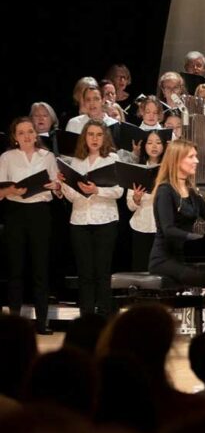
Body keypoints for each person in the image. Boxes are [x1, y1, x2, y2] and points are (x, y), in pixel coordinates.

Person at [148, 138, 205, 334]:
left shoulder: (191, 192)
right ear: (177, 160)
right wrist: (198, 239)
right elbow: (168, 230)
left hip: (186, 256)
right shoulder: (165, 190)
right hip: (165, 258)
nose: (196, 161)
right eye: (191, 156)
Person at [58, 120, 123, 319]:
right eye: (90, 134)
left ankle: (103, 316)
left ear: (105, 138)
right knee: (85, 272)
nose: (94, 139)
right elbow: (70, 195)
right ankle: (86, 316)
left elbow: (119, 191)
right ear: (84, 137)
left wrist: (96, 190)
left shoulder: (112, 158)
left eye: (98, 135)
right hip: (79, 220)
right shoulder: (77, 161)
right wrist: (67, 186)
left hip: (105, 220)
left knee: (102, 272)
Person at [1, 118, 61, 333]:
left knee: (40, 269)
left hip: (40, 212)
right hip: (15, 213)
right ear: (15, 137)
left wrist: (56, 185)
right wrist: (11, 191)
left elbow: (57, 189)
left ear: (36, 134)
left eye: (30, 132)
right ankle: (14, 324)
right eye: (21, 133)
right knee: (15, 268)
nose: (27, 136)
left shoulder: (48, 156)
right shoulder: (6, 157)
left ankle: (42, 322)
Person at [126, 131, 166, 272]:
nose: (154, 146)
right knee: (141, 269)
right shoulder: (136, 170)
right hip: (141, 225)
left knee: (162, 269)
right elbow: (130, 206)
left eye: (158, 142)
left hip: (163, 227)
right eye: (149, 142)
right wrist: (136, 199)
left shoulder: (169, 171)